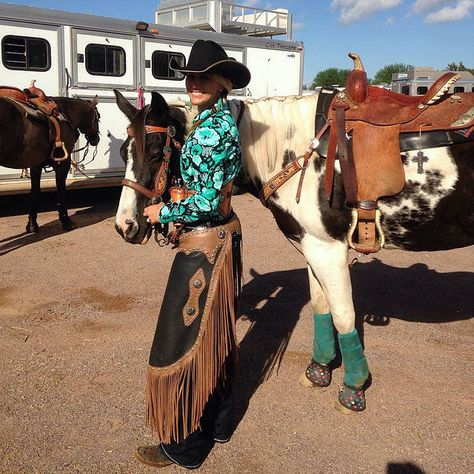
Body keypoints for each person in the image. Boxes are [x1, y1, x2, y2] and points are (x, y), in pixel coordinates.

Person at [136, 39, 251, 469]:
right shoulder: (223, 121)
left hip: (204, 245)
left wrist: (161, 209)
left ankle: (183, 446)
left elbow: (201, 201)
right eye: (190, 76)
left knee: (182, 342)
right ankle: (219, 424)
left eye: (203, 77)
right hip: (226, 236)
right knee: (216, 337)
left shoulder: (205, 130)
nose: (194, 83)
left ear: (220, 82)